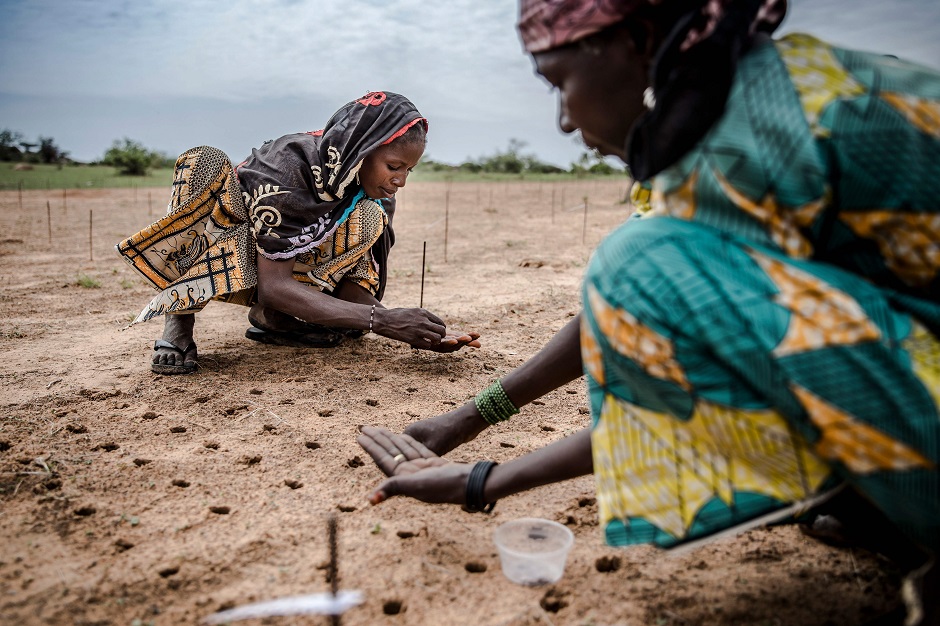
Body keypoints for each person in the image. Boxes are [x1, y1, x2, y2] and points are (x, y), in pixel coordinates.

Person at [357, 2, 940, 623]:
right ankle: (877, 499)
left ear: (637, 40)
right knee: (637, 260)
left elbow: (696, 387)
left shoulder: (757, 139)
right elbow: (630, 307)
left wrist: (484, 481)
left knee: (635, 259)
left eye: (560, 83)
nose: (561, 121)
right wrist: (472, 418)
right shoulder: (738, 110)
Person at [116, 91, 480, 374]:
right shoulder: (289, 171)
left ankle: (273, 320)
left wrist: (414, 331)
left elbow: (351, 284)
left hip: (282, 271)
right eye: (394, 166)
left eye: (408, 171)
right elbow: (276, 285)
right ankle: (178, 324)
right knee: (204, 161)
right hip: (229, 249)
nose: (400, 180)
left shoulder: (370, 196)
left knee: (373, 214)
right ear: (361, 151)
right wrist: (384, 321)